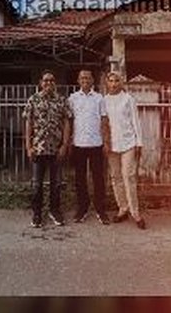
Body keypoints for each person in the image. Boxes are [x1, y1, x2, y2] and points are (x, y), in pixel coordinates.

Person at [23, 70, 72, 228]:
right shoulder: (33, 99)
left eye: (51, 80)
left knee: (56, 183)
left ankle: (54, 210)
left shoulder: (61, 100)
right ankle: (37, 213)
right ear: (40, 82)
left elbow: (66, 123)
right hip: (38, 148)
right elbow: (28, 123)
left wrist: (65, 144)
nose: (49, 83)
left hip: (56, 149)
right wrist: (28, 147)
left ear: (55, 83)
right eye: (46, 80)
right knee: (37, 184)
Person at [103, 71, 146, 230]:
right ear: (107, 83)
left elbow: (135, 121)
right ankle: (123, 208)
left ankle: (136, 213)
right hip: (112, 144)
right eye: (111, 81)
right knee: (116, 177)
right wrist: (104, 142)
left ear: (120, 83)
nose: (113, 84)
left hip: (128, 142)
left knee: (128, 176)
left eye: (116, 81)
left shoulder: (128, 99)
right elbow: (104, 122)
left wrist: (139, 143)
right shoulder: (104, 100)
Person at [68, 70, 110, 225]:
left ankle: (101, 209)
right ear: (78, 80)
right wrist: (69, 141)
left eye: (88, 77)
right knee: (80, 179)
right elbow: (69, 121)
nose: (85, 80)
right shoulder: (72, 98)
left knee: (98, 178)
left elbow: (104, 121)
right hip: (78, 144)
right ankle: (82, 208)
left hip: (96, 144)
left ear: (92, 80)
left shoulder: (99, 98)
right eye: (82, 78)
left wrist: (106, 142)